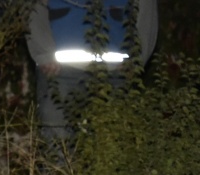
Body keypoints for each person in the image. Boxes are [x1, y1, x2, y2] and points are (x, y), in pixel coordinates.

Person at [27, 0, 158, 143]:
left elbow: (146, 10)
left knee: (115, 146)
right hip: (60, 71)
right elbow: (33, 6)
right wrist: (42, 51)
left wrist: (136, 58)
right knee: (57, 144)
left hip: (117, 73)